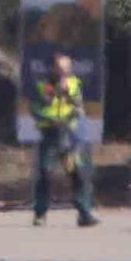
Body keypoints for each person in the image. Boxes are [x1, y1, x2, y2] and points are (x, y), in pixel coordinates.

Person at [32, 52, 98, 227]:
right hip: (50, 136)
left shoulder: (74, 84)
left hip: (68, 137)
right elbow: (36, 109)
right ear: (52, 69)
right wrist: (53, 95)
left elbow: (78, 107)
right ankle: (40, 213)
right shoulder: (42, 85)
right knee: (45, 173)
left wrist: (69, 97)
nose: (63, 72)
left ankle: (84, 212)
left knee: (77, 173)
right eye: (60, 68)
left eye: (66, 68)